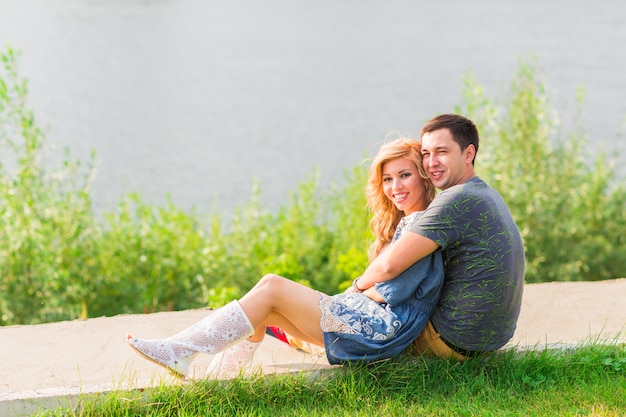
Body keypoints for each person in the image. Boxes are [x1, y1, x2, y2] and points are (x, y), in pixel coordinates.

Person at [126, 138, 445, 378]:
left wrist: (355, 291)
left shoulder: (424, 225)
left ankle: (179, 350)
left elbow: (396, 289)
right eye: (388, 179)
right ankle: (218, 378)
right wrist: (354, 295)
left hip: (380, 333)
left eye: (404, 175)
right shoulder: (409, 222)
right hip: (367, 324)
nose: (395, 186)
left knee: (272, 286)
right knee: (262, 309)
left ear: (424, 177)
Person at [356, 114, 526, 360]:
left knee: (348, 327)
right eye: (426, 153)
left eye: (441, 152)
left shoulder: (455, 199)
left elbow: (390, 266)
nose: (431, 163)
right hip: (488, 338)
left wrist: (356, 288)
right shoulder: (483, 192)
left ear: (468, 154)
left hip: (452, 339)